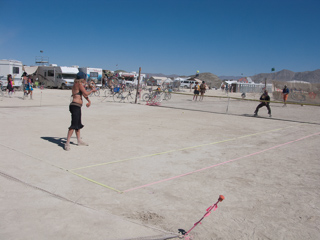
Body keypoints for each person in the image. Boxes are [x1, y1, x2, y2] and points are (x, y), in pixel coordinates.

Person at [64, 72, 97, 151]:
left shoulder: (77, 84)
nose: (85, 80)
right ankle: (67, 143)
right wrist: (92, 90)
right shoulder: (79, 84)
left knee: (78, 125)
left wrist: (89, 101)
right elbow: (85, 93)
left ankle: (79, 141)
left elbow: (83, 95)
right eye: (85, 79)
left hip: (77, 106)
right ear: (82, 79)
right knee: (73, 125)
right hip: (75, 106)